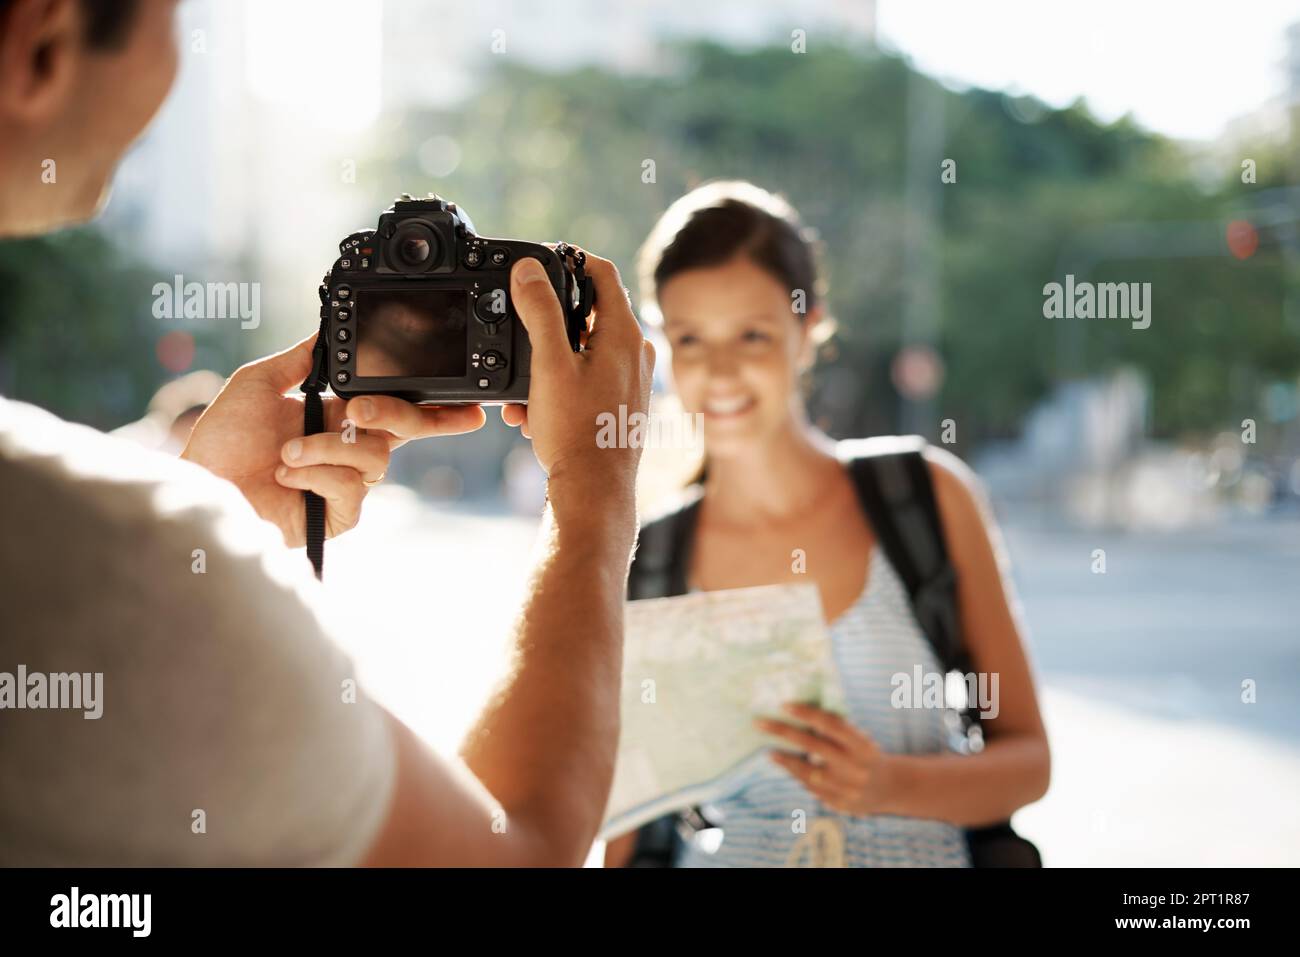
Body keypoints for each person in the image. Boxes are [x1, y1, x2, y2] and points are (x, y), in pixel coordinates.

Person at [0, 0, 654, 865]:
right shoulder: (88, 550)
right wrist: (594, 494)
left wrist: (212, 514)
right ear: (43, 42)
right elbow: (516, 849)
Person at [604, 181, 1049, 867]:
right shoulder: (649, 555)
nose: (719, 372)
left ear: (810, 326)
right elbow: (633, 831)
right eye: (690, 338)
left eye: (752, 334)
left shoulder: (924, 497)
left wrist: (890, 784)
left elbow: (1029, 761)